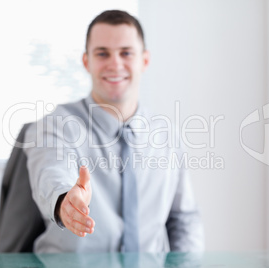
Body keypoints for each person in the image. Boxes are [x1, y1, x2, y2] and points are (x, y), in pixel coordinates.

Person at [24, 10, 204, 253]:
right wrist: (64, 200)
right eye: (102, 53)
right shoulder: (55, 125)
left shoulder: (166, 135)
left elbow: (183, 220)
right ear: (87, 61)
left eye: (126, 53)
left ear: (145, 61)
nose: (115, 64)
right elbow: (50, 171)